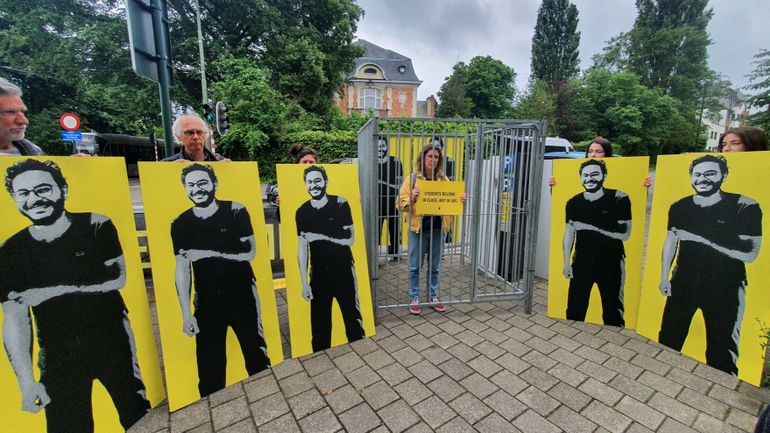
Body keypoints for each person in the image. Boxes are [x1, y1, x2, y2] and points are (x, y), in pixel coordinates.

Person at [0, 159, 150, 432]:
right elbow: (14, 319)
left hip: (111, 338)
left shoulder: (96, 225)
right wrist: (25, 381)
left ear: (63, 190)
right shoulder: (10, 250)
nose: (34, 199)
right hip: (56, 352)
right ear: (14, 198)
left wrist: (53, 291)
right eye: (24, 193)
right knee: (67, 424)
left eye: (43, 189)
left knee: (136, 412)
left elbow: (118, 277)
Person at [170, 163, 270, 397]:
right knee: (209, 367)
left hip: (242, 293)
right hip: (205, 301)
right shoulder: (180, 223)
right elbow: (182, 269)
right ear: (184, 188)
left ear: (214, 183)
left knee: (255, 352)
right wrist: (186, 314)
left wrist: (207, 253)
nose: (197, 189)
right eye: (191, 185)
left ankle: (266, 395)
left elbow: (250, 252)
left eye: (202, 183)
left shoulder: (236, 210)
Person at [658, 154, 762, 375]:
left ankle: (721, 398)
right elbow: (671, 241)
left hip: (726, 287)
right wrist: (664, 276)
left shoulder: (745, 206)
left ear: (724, 175)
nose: (702, 178)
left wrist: (701, 238)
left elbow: (750, 253)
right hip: (683, 282)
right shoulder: (680, 206)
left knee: (722, 351)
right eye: (697, 174)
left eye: (710, 173)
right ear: (691, 177)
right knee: (668, 339)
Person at [296, 165, 365, 352]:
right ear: (305, 185)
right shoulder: (301, 211)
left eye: (317, 181)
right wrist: (304, 282)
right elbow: (302, 248)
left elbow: (350, 239)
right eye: (309, 182)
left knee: (353, 320)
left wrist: (321, 236)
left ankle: (363, 355)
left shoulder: (341, 204)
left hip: (343, 270)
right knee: (319, 329)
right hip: (318, 274)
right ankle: (320, 363)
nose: (314, 185)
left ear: (325, 181)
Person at [398, 143, 466, 315]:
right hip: (418, 230)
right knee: (415, 266)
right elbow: (399, 203)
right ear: (423, 158)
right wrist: (411, 198)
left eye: (436, 157)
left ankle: (432, 295)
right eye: (430, 156)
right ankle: (414, 296)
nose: (433, 160)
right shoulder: (412, 179)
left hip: (437, 230)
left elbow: (451, 201)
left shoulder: (444, 180)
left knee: (434, 267)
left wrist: (461, 199)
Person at [562, 159, 631, 326]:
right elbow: (569, 233)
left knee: (613, 310)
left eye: (594, 174)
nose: (589, 178)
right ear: (580, 177)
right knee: (574, 309)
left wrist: (588, 227)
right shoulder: (573, 202)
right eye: (585, 175)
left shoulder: (619, 198)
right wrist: (566, 263)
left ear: (604, 175)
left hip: (611, 261)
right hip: (582, 261)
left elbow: (625, 234)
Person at [549, 137, 651, 188]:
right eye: (590, 151)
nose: (593, 155)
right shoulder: (574, 172)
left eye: (598, 152)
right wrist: (555, 187)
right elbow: (563, 196)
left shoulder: (620, 175)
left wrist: (643, 187)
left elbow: (635, 196)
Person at [0, 78, 45, 156]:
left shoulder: (35, 151)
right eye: (10, 112)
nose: (24, 121)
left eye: (23, 112)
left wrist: (69, 164)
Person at [377, 138, 403, 258]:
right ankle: (374, 256)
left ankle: (395, 254)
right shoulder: (372, 162)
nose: (379, 149)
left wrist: (382, 182)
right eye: (377, 146)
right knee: (376, 230)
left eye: (382, 146)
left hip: (393, 201)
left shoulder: (396, 162)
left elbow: (399, 186)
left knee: (395, 229)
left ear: (387, 147)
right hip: (376, 202)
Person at [163, 114, 227, 162]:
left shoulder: (220, 161)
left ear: (205, 135)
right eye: (189, 132)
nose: (195, 137)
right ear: (178, 136)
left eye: (199, 132)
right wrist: (171, 173)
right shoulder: (167, 165)